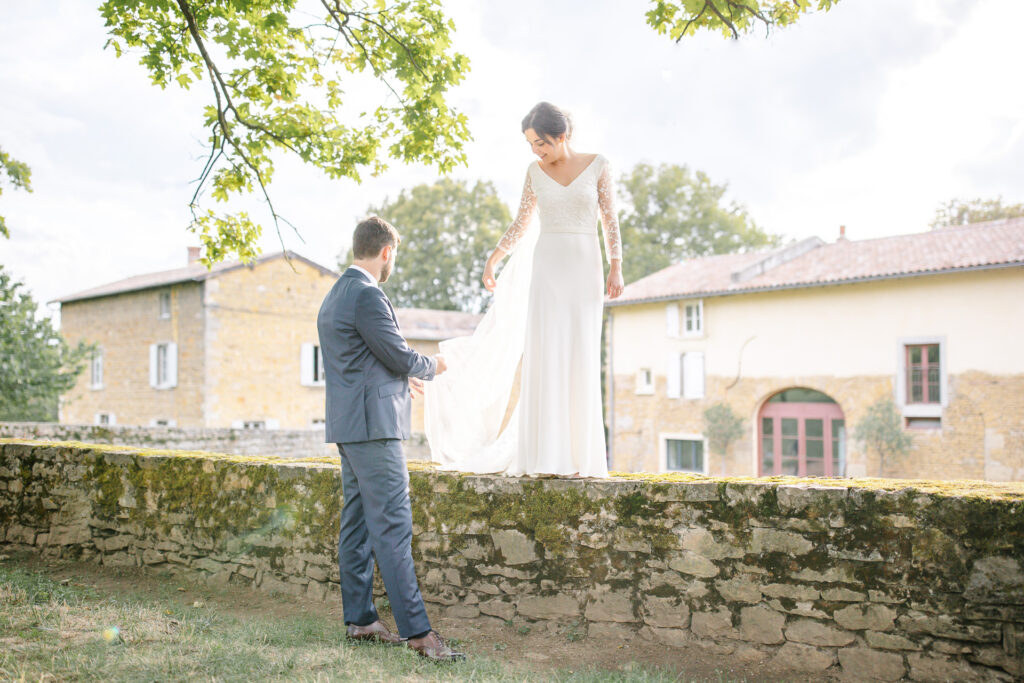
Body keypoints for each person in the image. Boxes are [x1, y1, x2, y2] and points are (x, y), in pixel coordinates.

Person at [425, 102, 623, 477]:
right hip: (547, 268)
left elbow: (610, 217)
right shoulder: (534, 172)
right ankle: (545, 456)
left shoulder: (598, 165)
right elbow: (521, 222)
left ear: (561, 136)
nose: (537, 151)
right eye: (532, 144)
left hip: (585, 267)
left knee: (579, 353)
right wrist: (493, 258)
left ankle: (581, 458)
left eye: (541, 143)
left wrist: (617, 264)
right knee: (546, 353)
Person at [317, 216, 464, 662]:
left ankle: (361, 620)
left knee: (358, 525)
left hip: (351, 426)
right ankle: (419, 633)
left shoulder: (334, 295)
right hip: (374, 429)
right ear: (386, 252)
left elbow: (363, 360)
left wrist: (401, 381)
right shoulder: (368, 295)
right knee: (394, 527)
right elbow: (398, 353)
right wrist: (434, 366)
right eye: (393, 255)